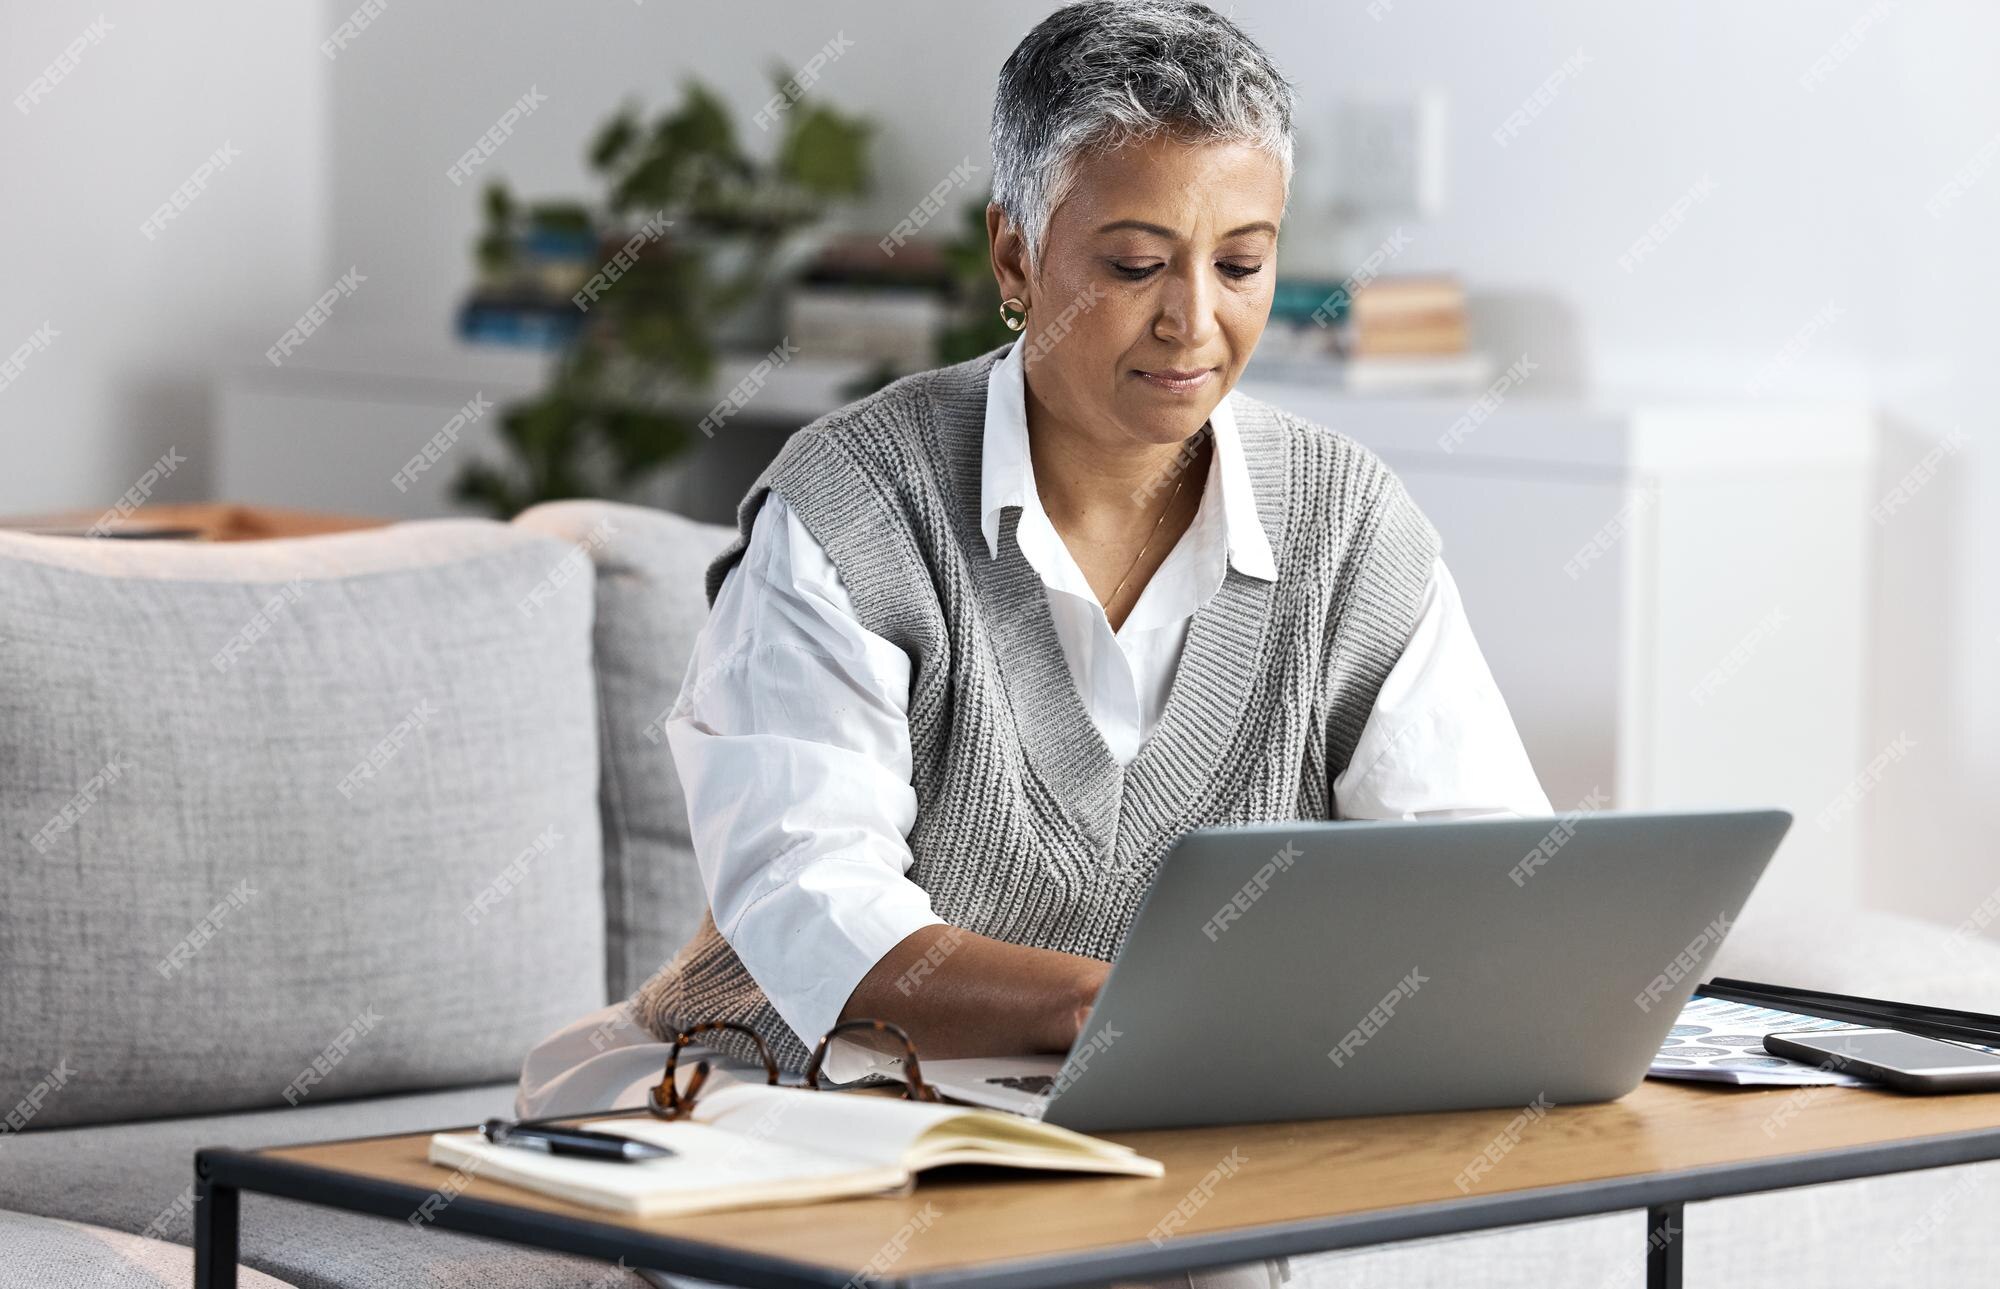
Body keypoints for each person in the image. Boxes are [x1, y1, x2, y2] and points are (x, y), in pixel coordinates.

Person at [520, 3, 1547, 1282]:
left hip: (1131, 1116)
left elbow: (1488, 875)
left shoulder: (1346, 525)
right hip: (787, 1089)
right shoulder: (852, 510)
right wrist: (1134, 1006)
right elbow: (819, 923)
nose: (1191, 323)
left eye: (1238, 264)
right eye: (1132, 264)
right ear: (1013, 258)